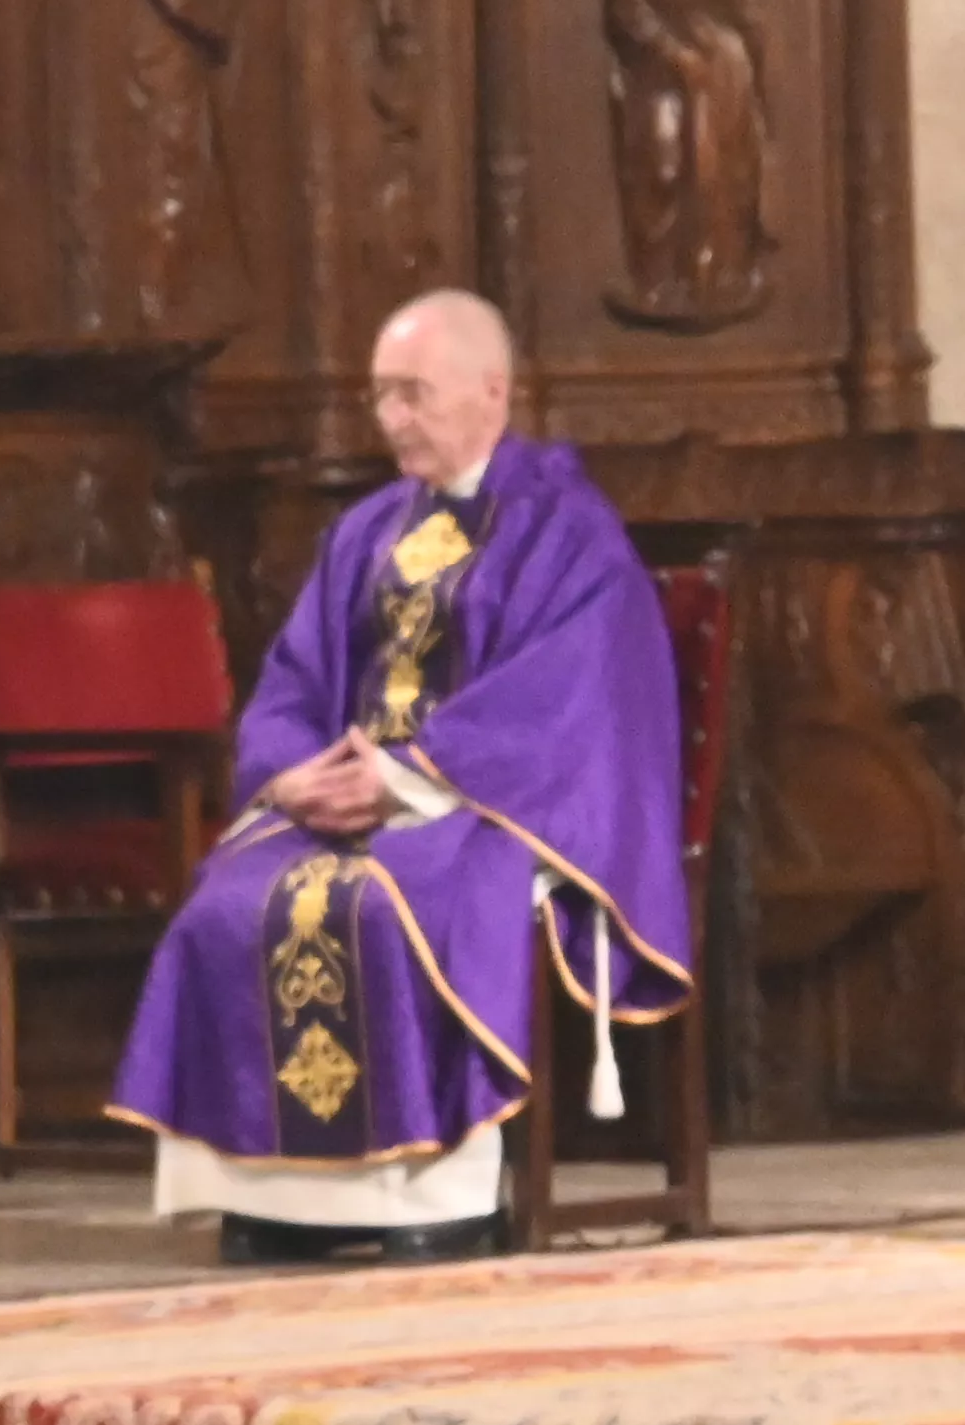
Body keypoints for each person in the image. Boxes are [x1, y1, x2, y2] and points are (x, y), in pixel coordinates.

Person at [110, 289, 693, 1263]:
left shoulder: (568, 531)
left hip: (492, 807)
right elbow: (295, 676)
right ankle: (275, 1195)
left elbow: (571, 696)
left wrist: (412, 780)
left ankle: (436, 1189)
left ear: (491, 392)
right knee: (230, 898)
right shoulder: (368, 531)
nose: (390, 420)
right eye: (381, 396)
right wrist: (292, 778)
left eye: (412, 394)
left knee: (397, 903)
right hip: (349, 795)